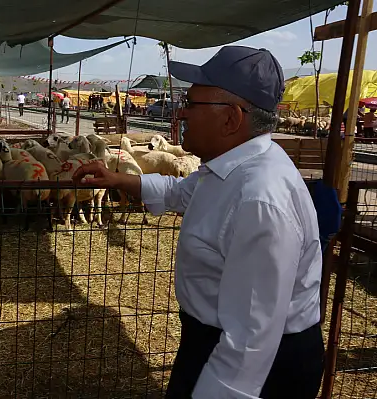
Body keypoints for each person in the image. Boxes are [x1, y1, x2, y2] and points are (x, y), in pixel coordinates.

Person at [73, 46, 324, 399]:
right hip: (213, 340)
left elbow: (250, 339)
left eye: (192, 104)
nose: (181, 113)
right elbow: (182, 191)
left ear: (231, 119)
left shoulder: (260, 199)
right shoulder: (231, 168)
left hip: (256, 366)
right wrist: (117, 180)